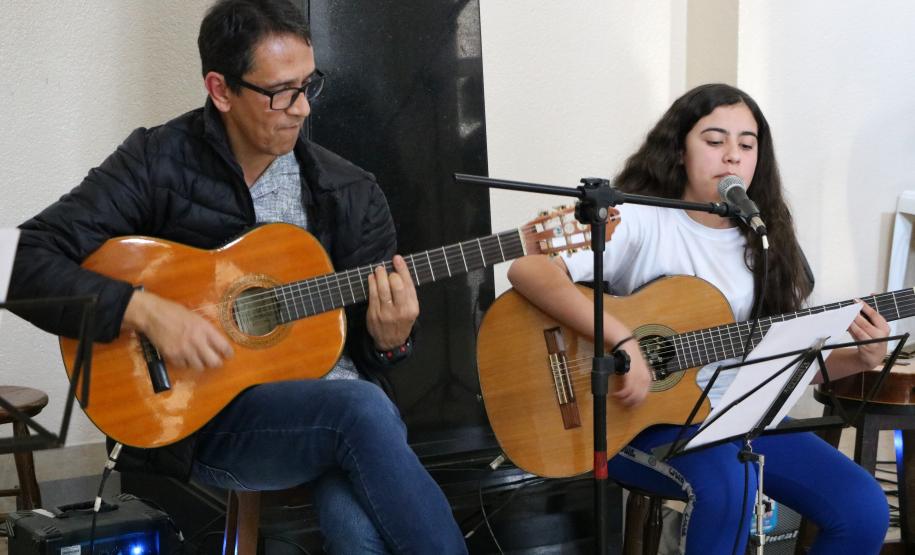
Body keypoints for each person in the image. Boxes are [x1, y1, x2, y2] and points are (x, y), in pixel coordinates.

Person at [7, 1, 467, 553]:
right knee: (362, 413)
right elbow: (18, 261)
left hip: (336, 411)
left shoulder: (351, 191)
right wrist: (142, 308)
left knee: (359, 508)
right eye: (280, 92)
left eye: (308, 85)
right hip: (210, 418)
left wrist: (392, 341)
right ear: (221, 90)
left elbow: (371, 355)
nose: (300, 109)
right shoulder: (156, 162)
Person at [507, 83, 890, 554]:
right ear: (680, 150)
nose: (732, 156)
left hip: (739, 417)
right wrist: (622, 338)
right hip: (640, 421)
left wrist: (859, 357)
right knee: (733, 482)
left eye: (746, 145)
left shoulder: (767, 241)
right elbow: (527, 268)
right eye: (714, 141)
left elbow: (778, 361)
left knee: (863, 507)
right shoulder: (640, 219)